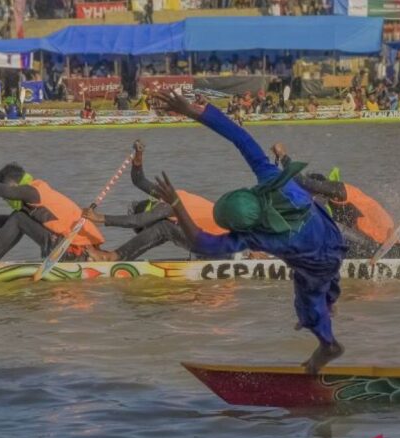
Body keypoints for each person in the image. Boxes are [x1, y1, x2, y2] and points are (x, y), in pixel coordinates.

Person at [148, 91, 346, 373]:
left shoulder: (259, 236)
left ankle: (328, 344)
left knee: (307, 302)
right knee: (320, 284)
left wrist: (177, 205)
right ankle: (330, 302)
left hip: (319, 263)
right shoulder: (271, 178)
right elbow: (241, 139)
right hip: (332, 234)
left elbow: (203, 244)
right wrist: (194, 112)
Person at [0, 144, 105, 277]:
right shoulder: (35, 195)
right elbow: (9, 224)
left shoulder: (31, 192)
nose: (6, 200)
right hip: (74, 250)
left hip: (74, 252)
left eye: (6, 196)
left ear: (13, 186)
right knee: (18, 217)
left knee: (18, 218)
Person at [85, 140, 227, 262]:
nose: (148, 229)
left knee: (164, 228)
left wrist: (100, 218)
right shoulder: (167, 195)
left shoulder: (168, 205)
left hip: (220, 246)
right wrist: (138, 158)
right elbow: (139, 180)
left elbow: (138, 221)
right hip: (222, 241)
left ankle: (113, 257)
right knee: (168, 228)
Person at [271, 143, 398, 258]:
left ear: (320, 189)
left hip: (381, 249)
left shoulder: (338, 189)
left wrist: (283, 156)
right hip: (378, 248)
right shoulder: (337, 205)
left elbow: (303, 182)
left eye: (312, 195)